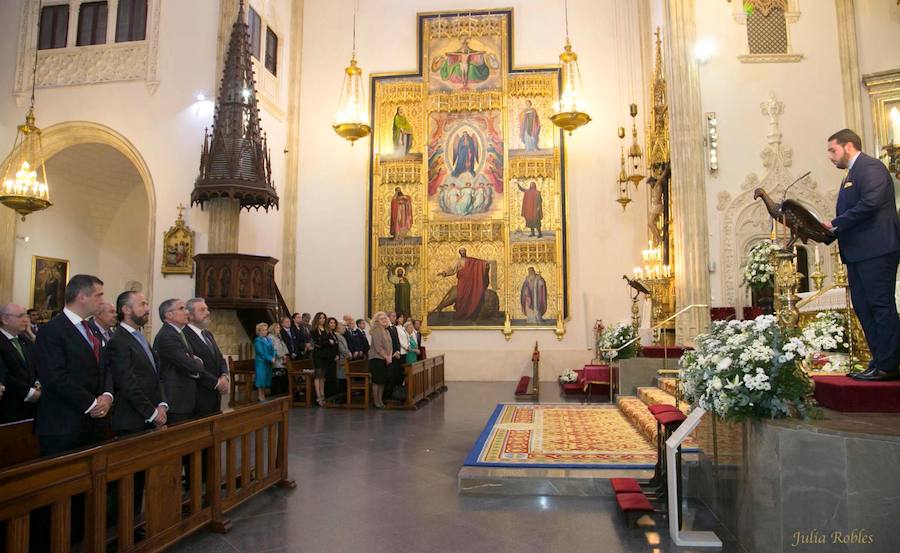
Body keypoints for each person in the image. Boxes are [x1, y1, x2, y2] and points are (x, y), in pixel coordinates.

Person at [824, 128, 900, 381]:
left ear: (848, 146)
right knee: (865, 308)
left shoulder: (870, 167)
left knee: (880, 306)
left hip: (877, 250)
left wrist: (835, 224)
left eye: (833, 150)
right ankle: (879, 361)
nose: (830, 156)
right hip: (859, 253)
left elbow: (871, 203)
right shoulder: (852, 173)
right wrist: (827, 230)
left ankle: (889, 365)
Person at [34, 274, 112, 456]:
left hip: (95, 423)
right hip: (63, 424)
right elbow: (54, 377)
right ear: (81, 296)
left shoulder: (92, 329)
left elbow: (105, 367)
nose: (102, 301)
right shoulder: (52, 330)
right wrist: (92, 403)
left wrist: (107, 395)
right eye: (99, 295)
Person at [106, 291, 167, 435]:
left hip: (152, 414)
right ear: (126, 309)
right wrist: (152, 412)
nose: (147, 309)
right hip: (132, 420)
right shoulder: (118, 340)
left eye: (147, 304)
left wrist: (162, 404)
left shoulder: (139, 336)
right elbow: (127, 383)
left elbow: (155, 374)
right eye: (142, 304)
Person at [154, 298, 205, 424]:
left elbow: (189, 362)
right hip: (175, 401)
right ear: (169, 315)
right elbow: (190, 365)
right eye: (181, 308)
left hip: (183, 399)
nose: (187, 312)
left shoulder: (177, 333)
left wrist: (193, 361)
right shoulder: (167, 335)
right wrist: (198, 362)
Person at [184, 298, 229, 416]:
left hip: (215, 396)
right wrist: (217, 383)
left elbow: (220, 358)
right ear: (190, 315)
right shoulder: (184, 335)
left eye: (207, 309)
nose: (207, 312)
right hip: (198, 397)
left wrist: (224, 376)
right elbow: (191, 366)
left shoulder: (207, 334)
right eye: (202, 310)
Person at [0, 303, 39, 423]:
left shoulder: (24, 340)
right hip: (8, 408)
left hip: (30, 409)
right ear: (5, 319)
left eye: (26, 315)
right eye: (20, 316)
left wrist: (38, 382)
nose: (26, 319)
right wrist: (29, 392)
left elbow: (37, 364)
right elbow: (4, 374)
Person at [433, 248, 491, 319]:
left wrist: (485, 264)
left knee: (475, 293)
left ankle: (471, 312)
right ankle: (458, 311)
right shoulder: (458, 261)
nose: (463, 253)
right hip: (463, 283)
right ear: (459, 253)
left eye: (464, 251)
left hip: (471, 282)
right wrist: (444, 273)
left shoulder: (470, 260)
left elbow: (479, 262)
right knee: (460, 296)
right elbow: (452, 270)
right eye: (462, 251)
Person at [310, 312, 336, 405]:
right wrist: (328, 342)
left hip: (326, 355)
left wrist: (326, 342)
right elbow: (319, 342)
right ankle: (318, 397)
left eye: (324, 318)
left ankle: (322, 394)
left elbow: (331, 341)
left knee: (323, 377)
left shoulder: (326, 329)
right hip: (318, 355)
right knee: (318, 376)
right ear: (317, 319)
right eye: (320, 318)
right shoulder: (314, 330)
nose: (322, 319)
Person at [368, 311, 392, 409]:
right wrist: (386, 357)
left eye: (385, 318)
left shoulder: (386, 331)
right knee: (377, 381)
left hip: (385, 359)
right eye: (382, 319)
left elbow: (390, 345)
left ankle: (380, 400)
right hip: (377, 359)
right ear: (377, 321)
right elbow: (378, 347)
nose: (384, 320)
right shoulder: (376, 330)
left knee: (382, 381)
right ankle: (376, 401)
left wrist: (389, 356)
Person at [253, 323, 274, 401]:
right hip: (261, 362)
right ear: (259, 331)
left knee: (266, 378)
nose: (265, 331)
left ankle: (263, 394)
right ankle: (260, 395)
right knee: (261, 378)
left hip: (268, 362)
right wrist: (270, 358)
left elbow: (273, 349)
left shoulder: (269, 339)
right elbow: (260, 352)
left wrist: (273, 357)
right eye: (263, 330)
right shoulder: (257, 340)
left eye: (266, 330)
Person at [267, 322, 289, 396]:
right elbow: (274, 349)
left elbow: (284, 346)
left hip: (282, 360)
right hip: (275, 360)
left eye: (279, 328)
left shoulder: (279, 336)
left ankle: (282, 394)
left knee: (283, 378)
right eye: (277, 327)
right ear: (273, 329)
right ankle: (275, 395)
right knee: (276, 379)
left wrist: (286, 354)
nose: (279, 329)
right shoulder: (270, 337)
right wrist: (282, 355)